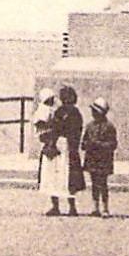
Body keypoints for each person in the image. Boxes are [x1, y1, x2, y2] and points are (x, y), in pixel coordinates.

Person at [49, 85, 87, 216]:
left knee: (59, 176)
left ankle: (58, 206)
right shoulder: (74, 113)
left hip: (63, 145)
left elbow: (54, 129)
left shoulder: (62, 112)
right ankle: (71, 207)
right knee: (67, 177)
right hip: (68, 146)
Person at [82, 97, 118, 216]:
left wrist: (99, 144)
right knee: (94, 184)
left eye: (95, 111)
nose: (93, 114)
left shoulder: (109, 127)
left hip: (103, 159)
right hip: (92, 159)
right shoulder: (89, 126)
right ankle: (95, 207)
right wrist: (88, 145)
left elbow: (113, 144)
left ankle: (105, 208)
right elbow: (84, 142)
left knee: (102, 184)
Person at [34, 88, 68, 213]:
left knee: (56, 175)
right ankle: (56, 204)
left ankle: (58, 205)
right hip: (51, 145)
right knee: (52, 176)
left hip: (56, 145)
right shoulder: (43, 111)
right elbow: (41, 130)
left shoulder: (56, 111)